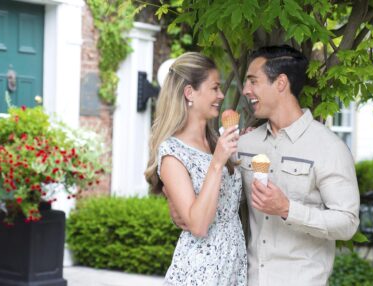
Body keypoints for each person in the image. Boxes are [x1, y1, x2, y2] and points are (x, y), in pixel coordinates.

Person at [167, 45, 360, 286]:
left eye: (253, 81)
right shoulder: (244, 145)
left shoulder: (329, 148)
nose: (245, 90)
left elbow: (347, 223)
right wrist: (180, 207)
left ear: (280, 83)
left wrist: (288, 208)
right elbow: (220, 202)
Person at [144, 52, 247, 285]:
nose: (221, 95)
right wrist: (218, 163)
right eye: (214, 88)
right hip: (201, 270)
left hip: (232, 262)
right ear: (190, 93)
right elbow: (198, 226)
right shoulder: (172, 153)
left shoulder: (214, 141)